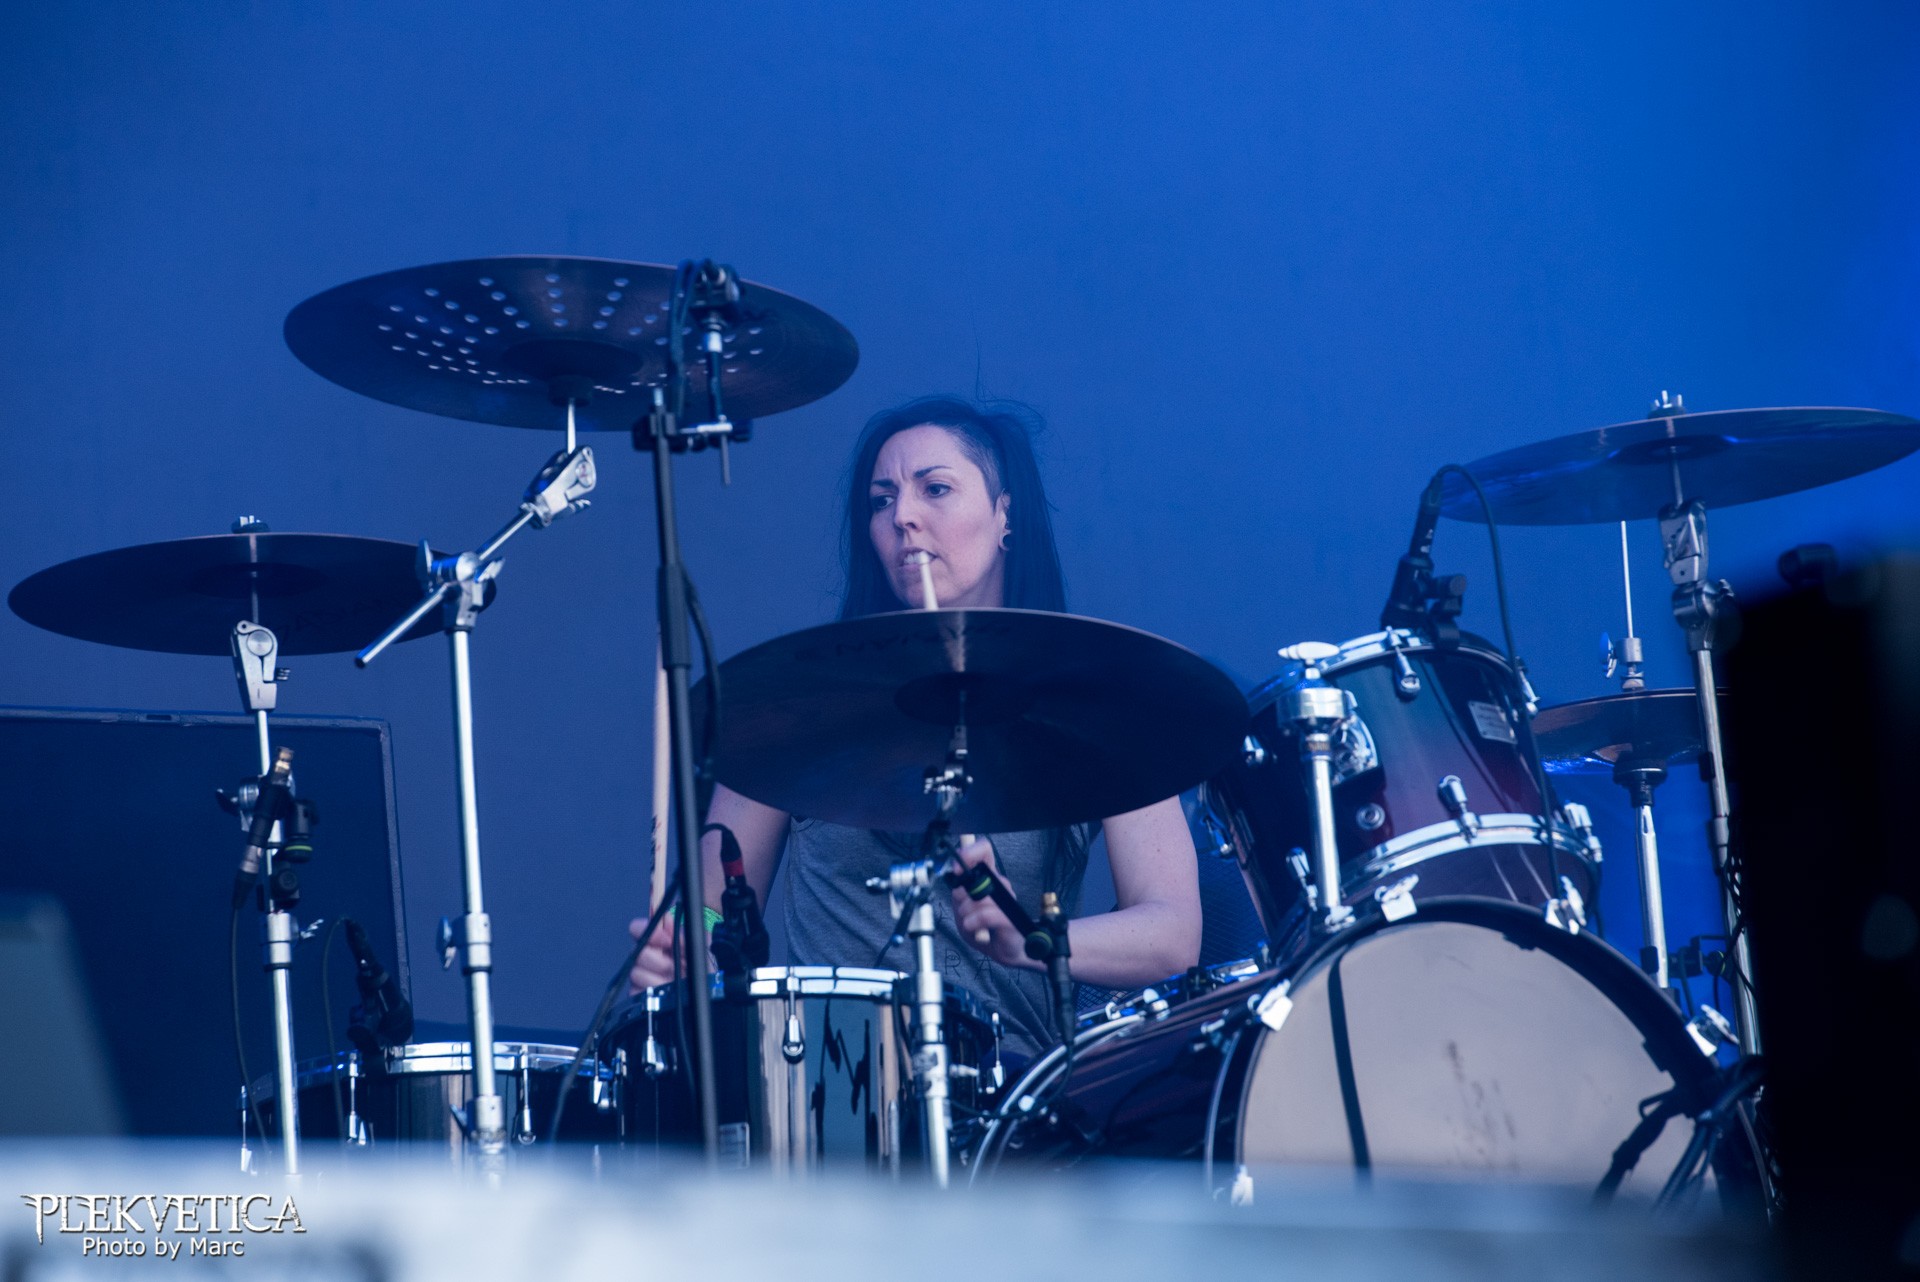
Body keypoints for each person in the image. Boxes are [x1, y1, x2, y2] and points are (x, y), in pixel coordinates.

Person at [626, 396, 1201, 1055]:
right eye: (881, 500)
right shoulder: (799, 700)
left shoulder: (1094, 699)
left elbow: (1173, 935)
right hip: (827, 1077)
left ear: (1005, 514)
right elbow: (710, 908)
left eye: (936, 489)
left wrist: (1032, 940)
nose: (902, 515)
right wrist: (686, 944)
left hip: (1010, 1086)